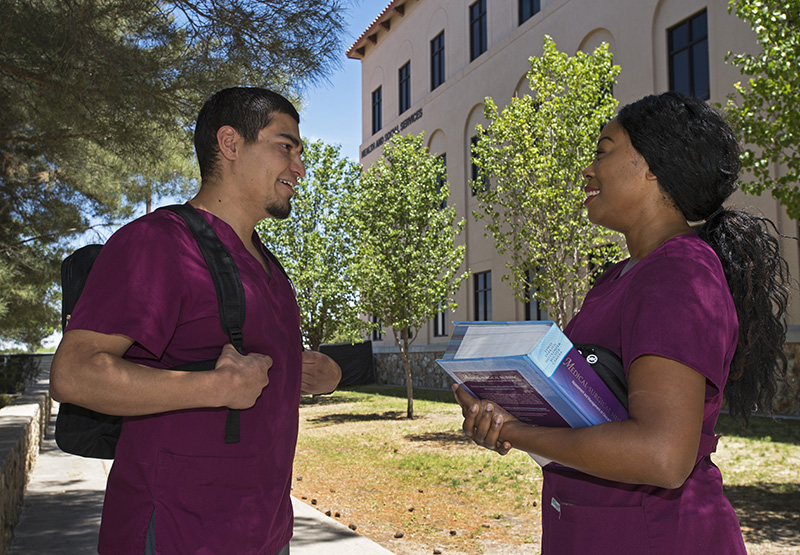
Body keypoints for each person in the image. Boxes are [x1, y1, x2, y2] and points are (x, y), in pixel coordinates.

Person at [454, 92, 791, 554]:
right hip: (592, 530)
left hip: (656, 537)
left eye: (604, 150)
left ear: (655, 165)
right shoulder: (620, 275)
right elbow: (588, 418)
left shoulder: (679, 272)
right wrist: (509, 413)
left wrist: (514, 431)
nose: (588, 171)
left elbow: (662, 454)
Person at [50, 87, 342, 555]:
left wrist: (323, 376)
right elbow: (73, 373)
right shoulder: (158, 243)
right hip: (175, 535)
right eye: (286, 147)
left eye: (300, 152)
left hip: (266, 535)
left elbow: (248, 375)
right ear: (230, 144)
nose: (300, 167)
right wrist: (212, 387)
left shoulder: (271, 269)